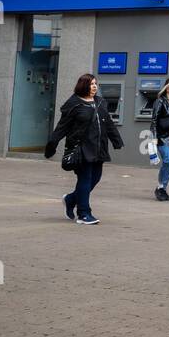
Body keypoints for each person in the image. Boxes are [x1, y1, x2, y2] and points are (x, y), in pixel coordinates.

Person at [45, 74, 124, 225]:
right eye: (91, 84)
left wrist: (116, 140)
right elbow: (62, 127)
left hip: (99, 147)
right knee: (85, 179)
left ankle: (70, 199)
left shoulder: (100, 102)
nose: (94, 86)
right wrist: (52, 145)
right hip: (81, 148)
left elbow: (108, 124)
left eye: (95, 84)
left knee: (95, 178)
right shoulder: (74, 104)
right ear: (83, 85)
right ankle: (84, 213)